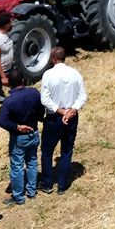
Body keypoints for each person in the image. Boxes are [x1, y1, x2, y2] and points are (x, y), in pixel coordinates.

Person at [39, 46, 88, 195]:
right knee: (67, 151)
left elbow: (45, 99)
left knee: (47, 152)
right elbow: (83, 96)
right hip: (72, 118)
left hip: (54, 118)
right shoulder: (75, 73)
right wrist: (72, 110)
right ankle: (62, 185)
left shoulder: (48, 75)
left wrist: (61, 111)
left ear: (53, 59)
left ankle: (47, 184)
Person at [0, 69, 45, 206]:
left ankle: (18, 196)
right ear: (23, 80)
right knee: (32, 162)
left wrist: (17, 127)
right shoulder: (34, 93)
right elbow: (41, 109)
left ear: (9, 84)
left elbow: (3, 121)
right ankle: (32, 191)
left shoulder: (9, 101)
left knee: (17, 166)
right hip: (34, 133)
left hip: (19, 138)